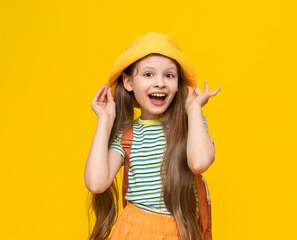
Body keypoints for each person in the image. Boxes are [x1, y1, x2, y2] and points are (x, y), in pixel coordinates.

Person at [84, 32, 221, 240]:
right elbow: (96, 183)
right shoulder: (128, 135)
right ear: (129, 82)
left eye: (169, 75)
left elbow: (199, 163)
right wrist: (104, 120)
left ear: (178, 86)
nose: (160, 83)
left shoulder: (192, 124)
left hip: (181, 231)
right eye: (148, 74)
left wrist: (194, 110)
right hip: (133, 230)